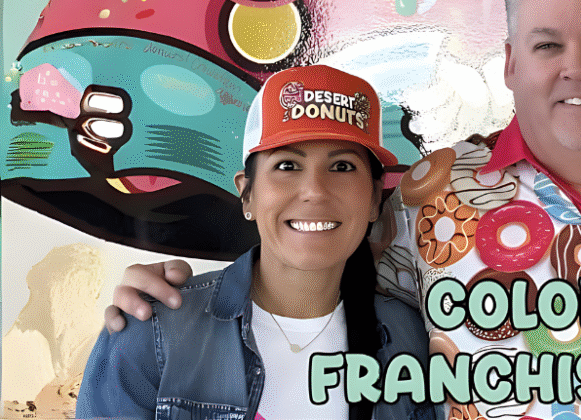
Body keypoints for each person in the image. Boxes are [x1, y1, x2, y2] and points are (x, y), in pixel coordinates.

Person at [103, 0, 581, 419]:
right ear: (510, 63)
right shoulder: (434, 193)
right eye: (547, 44)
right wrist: (171, 298)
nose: (577, 67)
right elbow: (312, 271)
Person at [78, 65, 434, 420]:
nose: (314, 191)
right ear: (247, 195)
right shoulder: (151, 332)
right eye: (287, 165)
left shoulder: (408, 338)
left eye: (342, 167)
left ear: (373, 199)